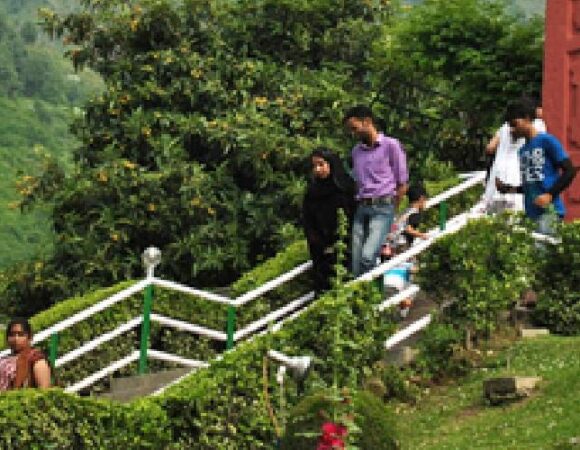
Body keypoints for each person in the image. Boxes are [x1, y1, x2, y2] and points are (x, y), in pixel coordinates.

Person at [343, 105, 409, 277]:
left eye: (354, 128)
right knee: (356, 261)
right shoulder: (356, 152)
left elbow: (402, 182)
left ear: (367, 122)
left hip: (383, 206)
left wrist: (392, 210)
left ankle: (372, 296)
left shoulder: (391, 146)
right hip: (362, 206)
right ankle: (363, 300)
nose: (353, 134)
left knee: (367, 256)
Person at [496, 97, 577, 234]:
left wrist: (550, 195)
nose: (512, 130)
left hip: (549, 212)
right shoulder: (522, 150)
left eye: (515, 124)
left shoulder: (546, 141)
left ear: (527, 118)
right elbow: (532, 183)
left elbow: (570, 171)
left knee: (543, 252)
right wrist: (509, 189)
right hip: (531, 214)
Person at [303, 148, 356, 292]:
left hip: (347, 246)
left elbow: (354, 214)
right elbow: (308, 223)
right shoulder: (312, 193)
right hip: (321, 251)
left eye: (321, 164)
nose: (318, 169)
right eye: (314, 166)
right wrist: (321, 244)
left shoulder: (345, 187)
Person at [484, 100, 547, 214]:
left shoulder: (505, 127)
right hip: (518, 181)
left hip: (497, 180)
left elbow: (490, 148)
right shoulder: (537, 125)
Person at [0, 318, 51, 391]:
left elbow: (44, 392)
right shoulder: (3, 360)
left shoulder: (36, 359)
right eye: (12, 335)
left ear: (29, 337)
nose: (16, 339)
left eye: (20, 335)